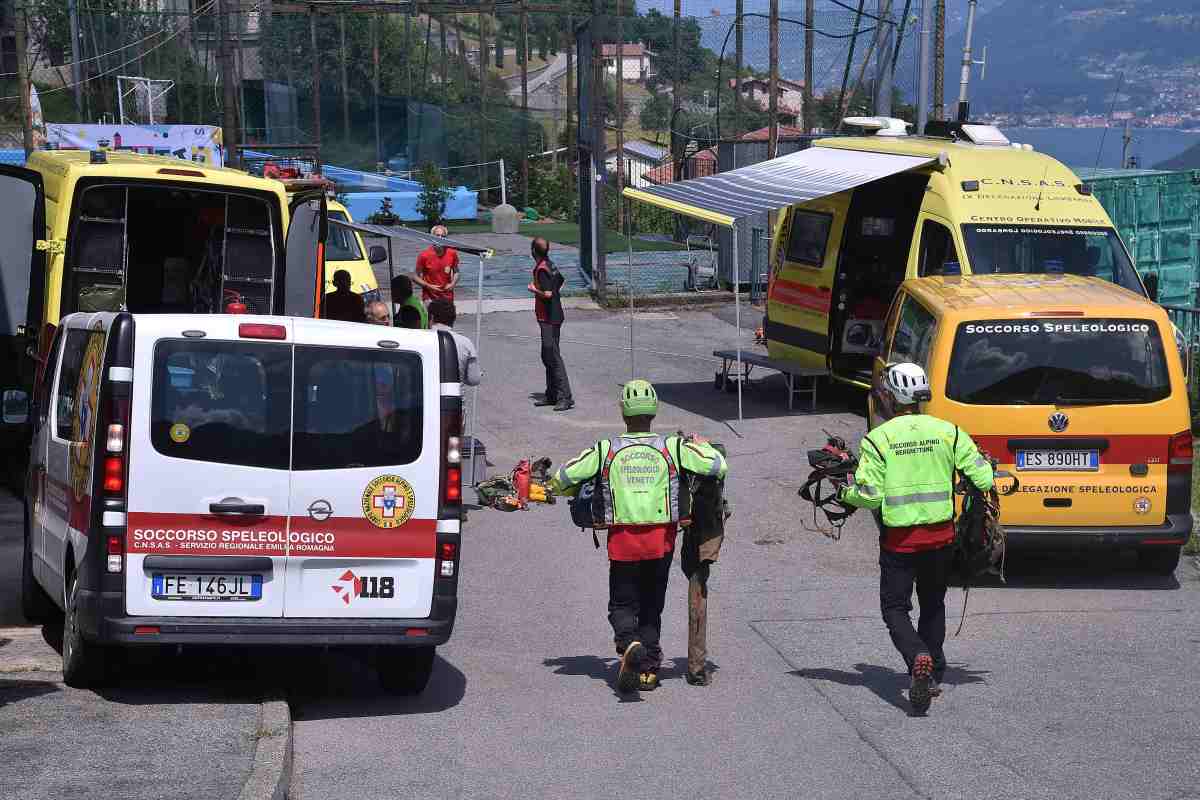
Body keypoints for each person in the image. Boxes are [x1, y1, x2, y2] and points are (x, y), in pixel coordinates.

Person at [549, 380, 728, 694]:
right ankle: (648, 671)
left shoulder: (606, 449)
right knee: (651, 605)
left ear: (623, 412)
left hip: (623, 542)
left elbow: (562, 479)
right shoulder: (673, 447)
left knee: (621, 604)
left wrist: (571, 490)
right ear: (654, 412)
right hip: (663, 541)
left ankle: (629, 643)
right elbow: (716, 465)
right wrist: (701, 444)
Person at [838, 362, 994, 715]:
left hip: (900, 542)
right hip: (941, 539)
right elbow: (983, 479)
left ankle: (917, 656)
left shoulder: (879, 439)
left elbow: (869, 496)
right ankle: (934, 673)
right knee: (933, 604)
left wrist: (845, 494)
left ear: (892, 397)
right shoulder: (948, 432)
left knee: (894, 608)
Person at [527, 237, 572, 412]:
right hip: (553, 315)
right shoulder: (550, 264)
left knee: (552, 356)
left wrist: (533, 290)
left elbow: (546, 294)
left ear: (533, 251)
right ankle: (552, 394)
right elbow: (561, 281)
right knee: (546, 355)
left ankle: (565, 397)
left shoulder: (542, 269)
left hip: (549, 318)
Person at [427, 299, 481, 387]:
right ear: (453, 319)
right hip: (453, 397)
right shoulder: (466, 343)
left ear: (431, 317)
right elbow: (474, 379)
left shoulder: (419, 339)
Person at [413, 225, 460, 304]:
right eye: (437, 235)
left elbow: (456, 272)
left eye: (443, 236)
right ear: (432, 237)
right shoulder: (424, 255)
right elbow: (414, 277)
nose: (440, 238)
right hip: (429, 298)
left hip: (447, 297)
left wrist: (452, 284)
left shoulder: (452, 253)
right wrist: (428, 286)